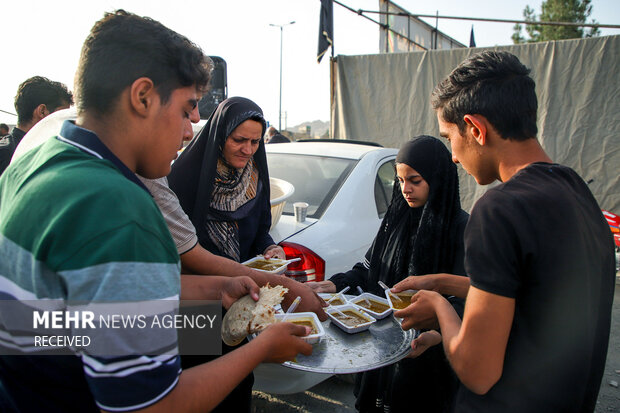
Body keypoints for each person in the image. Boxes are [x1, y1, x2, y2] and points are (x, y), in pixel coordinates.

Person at [0, 10, 312, 413]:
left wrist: (213, 288)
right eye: (186, 109)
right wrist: (261, 349)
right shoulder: (119, 209)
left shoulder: (33, 163)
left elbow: (64, 320)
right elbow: (151, 406)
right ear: (143, 96)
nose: (189, 130)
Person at [394, 51, 615, 412]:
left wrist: (438, 307)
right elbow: (536, 295)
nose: (452, 155)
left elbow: (476, 371)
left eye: (450, 137)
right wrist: (446, 284)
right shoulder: (574, 189)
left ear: (476, 129)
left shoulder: (499, 209)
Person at [310, 135, 469, 413]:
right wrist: (335, 284)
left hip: (430, 358)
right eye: (400, 180)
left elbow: (470, 301)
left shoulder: (460, 228)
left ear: (438, 178)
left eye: (415, 180)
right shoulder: (396, 219)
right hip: (382, 351)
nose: (406, 189)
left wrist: (439, 332)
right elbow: (369, 269)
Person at [169, 97, 286, 262]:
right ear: (221, 134)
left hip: (248, 281)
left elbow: (260, 231)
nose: (247, 150)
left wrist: (270, 248)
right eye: (239, 140)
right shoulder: (185, 177)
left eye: (255, 142)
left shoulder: (254, 177)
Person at [0, 76, 72, 175]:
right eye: (61, 115)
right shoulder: (12, 154)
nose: (66, 123)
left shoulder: (8, 149)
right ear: (42, 111)